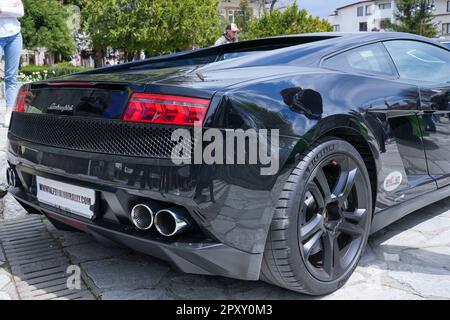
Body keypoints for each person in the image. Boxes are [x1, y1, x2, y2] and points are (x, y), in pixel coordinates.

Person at [0, 0, 24, 127]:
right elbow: (14, 11)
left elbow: (20, 12)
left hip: (14, 36)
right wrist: (9, 8)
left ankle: (9, 113)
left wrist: (1, 9)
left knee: (11, 77)